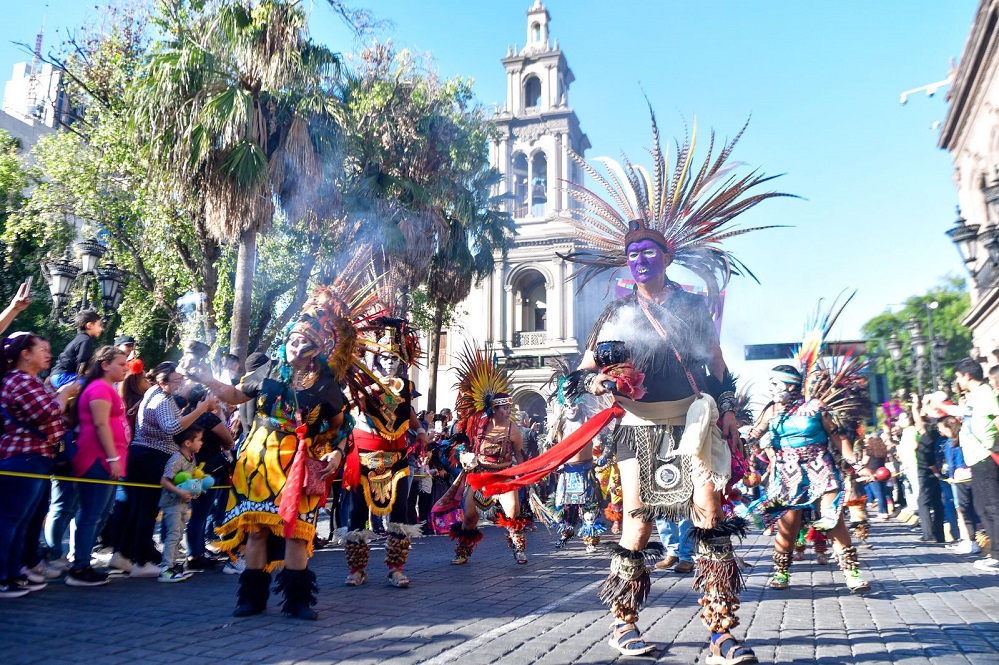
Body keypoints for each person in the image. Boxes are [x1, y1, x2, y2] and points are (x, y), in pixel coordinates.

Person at [469, 112, 788, 662]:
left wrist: (730, 408)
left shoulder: (691, 305)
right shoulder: (615, 314)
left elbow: (716, 364)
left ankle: (720, 631)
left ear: (666, 256)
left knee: (709, 519)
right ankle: (623, 623)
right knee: (637, 523)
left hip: (693, 421)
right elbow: (583, 376)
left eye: (649, 252)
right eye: (632, 254)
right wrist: (602, 379)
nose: (640, 260)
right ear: (628, 261)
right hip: (637, 428)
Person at [194, 288, 350, 619]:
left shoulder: (326, 384)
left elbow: (340, 426)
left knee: (295, 534)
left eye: (303, 344)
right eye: (292, 341)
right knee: (257, 530)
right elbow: (235, 395)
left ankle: (297, 601)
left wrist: (336, 454)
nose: (295, 348)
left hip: (298, 465)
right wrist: (206, 379)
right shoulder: (266, 371)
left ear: (316, 350)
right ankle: (251, 598)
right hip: (258, 461)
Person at [746, 364, 872, 594]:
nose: (771, 389)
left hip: (820, 468)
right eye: (770, 384)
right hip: (786, 474)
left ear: (792, 385)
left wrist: (854, 461)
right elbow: (754, 435)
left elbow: (838, 437)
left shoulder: (816, 407)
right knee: (788, 525)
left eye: (776, 384)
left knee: (832, 518)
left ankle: (852, 574)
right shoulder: (771, 411)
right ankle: (781, 572)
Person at [340, 316, 426, 589]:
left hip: (397, 457)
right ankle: (357, 569)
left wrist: (421, 430)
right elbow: (350, 410)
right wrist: (366, 390)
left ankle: (396, 569)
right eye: (385, 358)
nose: (390, 362)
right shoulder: (360, 385)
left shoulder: (406, 388)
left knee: (400, 513)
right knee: (357, 513)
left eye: (395, 358)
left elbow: (406, 414)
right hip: (363, 455)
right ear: (376, 360)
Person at [116, 362, 217, 578]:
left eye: (181, 379)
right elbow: (171, 427)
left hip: (144, 456)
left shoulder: (156, 393)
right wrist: (200, 410)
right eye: (176, 380)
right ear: (163, 382)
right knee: (148, 510)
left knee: (139, 509)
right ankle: (141, 561)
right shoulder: (161, 398)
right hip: (152, 457)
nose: (180, 383)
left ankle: (125, 554)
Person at [0, 332, 78, 597]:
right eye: (41, 349)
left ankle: (14, 572)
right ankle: (4, 576)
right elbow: (46, 411)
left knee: (21, 522)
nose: (48, 354)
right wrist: (65, 393)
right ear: (25, 354)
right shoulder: (19, 380)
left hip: (34, 456)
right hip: (24, 456)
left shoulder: (28, 380)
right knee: (10, 520)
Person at [66, 346, 130, 587]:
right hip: (97, 460)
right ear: (105, 365)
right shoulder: (99, 388)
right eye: (121, 365)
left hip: (108, 460)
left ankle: (83, 563)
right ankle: (80, 567)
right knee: (92, 514)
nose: (125, 369)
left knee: (100, 514)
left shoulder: (108, 388)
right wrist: (112, 459)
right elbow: (101, 425)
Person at [949, 359, 999, 572]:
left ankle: (997, 555)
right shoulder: (974, 396)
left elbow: (997, 417)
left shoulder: (984, 393)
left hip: (986, 456)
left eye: (958, 377)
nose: (958, 382)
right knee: (982, 507)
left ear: (966, 375)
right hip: (976, 459)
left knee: (992, 506)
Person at [158, 425, 204, 582]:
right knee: (173, 534)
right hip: (172, 503)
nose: (201, 443)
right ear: (187, 443)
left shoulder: (192, 458)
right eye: (199, 440)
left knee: (178, 534)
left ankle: (172, 564)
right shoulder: (176, 459)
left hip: (184, 503)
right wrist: (179, 492)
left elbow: (188, 480)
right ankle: (165, 568)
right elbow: (165, 480)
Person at [938, 416, 981, 554]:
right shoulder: (967, 437)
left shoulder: (950, 443)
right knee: (977, 507)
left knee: (962, 510)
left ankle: (968, 539)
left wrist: (951, 477)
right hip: (973, 474)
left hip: (959, 478)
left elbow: (952, 463)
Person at [910, 394, 946, 543]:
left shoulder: (927, 436)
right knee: (937, 502)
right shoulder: (937, 436)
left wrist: (916, 405)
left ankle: (929, 535)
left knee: (923, 503)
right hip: (935, 472)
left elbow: (918, 419)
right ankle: (939, 534)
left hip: (927, 473)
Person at [49, 310, 103, 389]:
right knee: (95, 385)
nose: (101, 329)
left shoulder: (80, 338)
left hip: (58, 375)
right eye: (99, 325)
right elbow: (82, 361)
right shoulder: (85, 340)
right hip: (63, 376)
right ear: (90, 325)